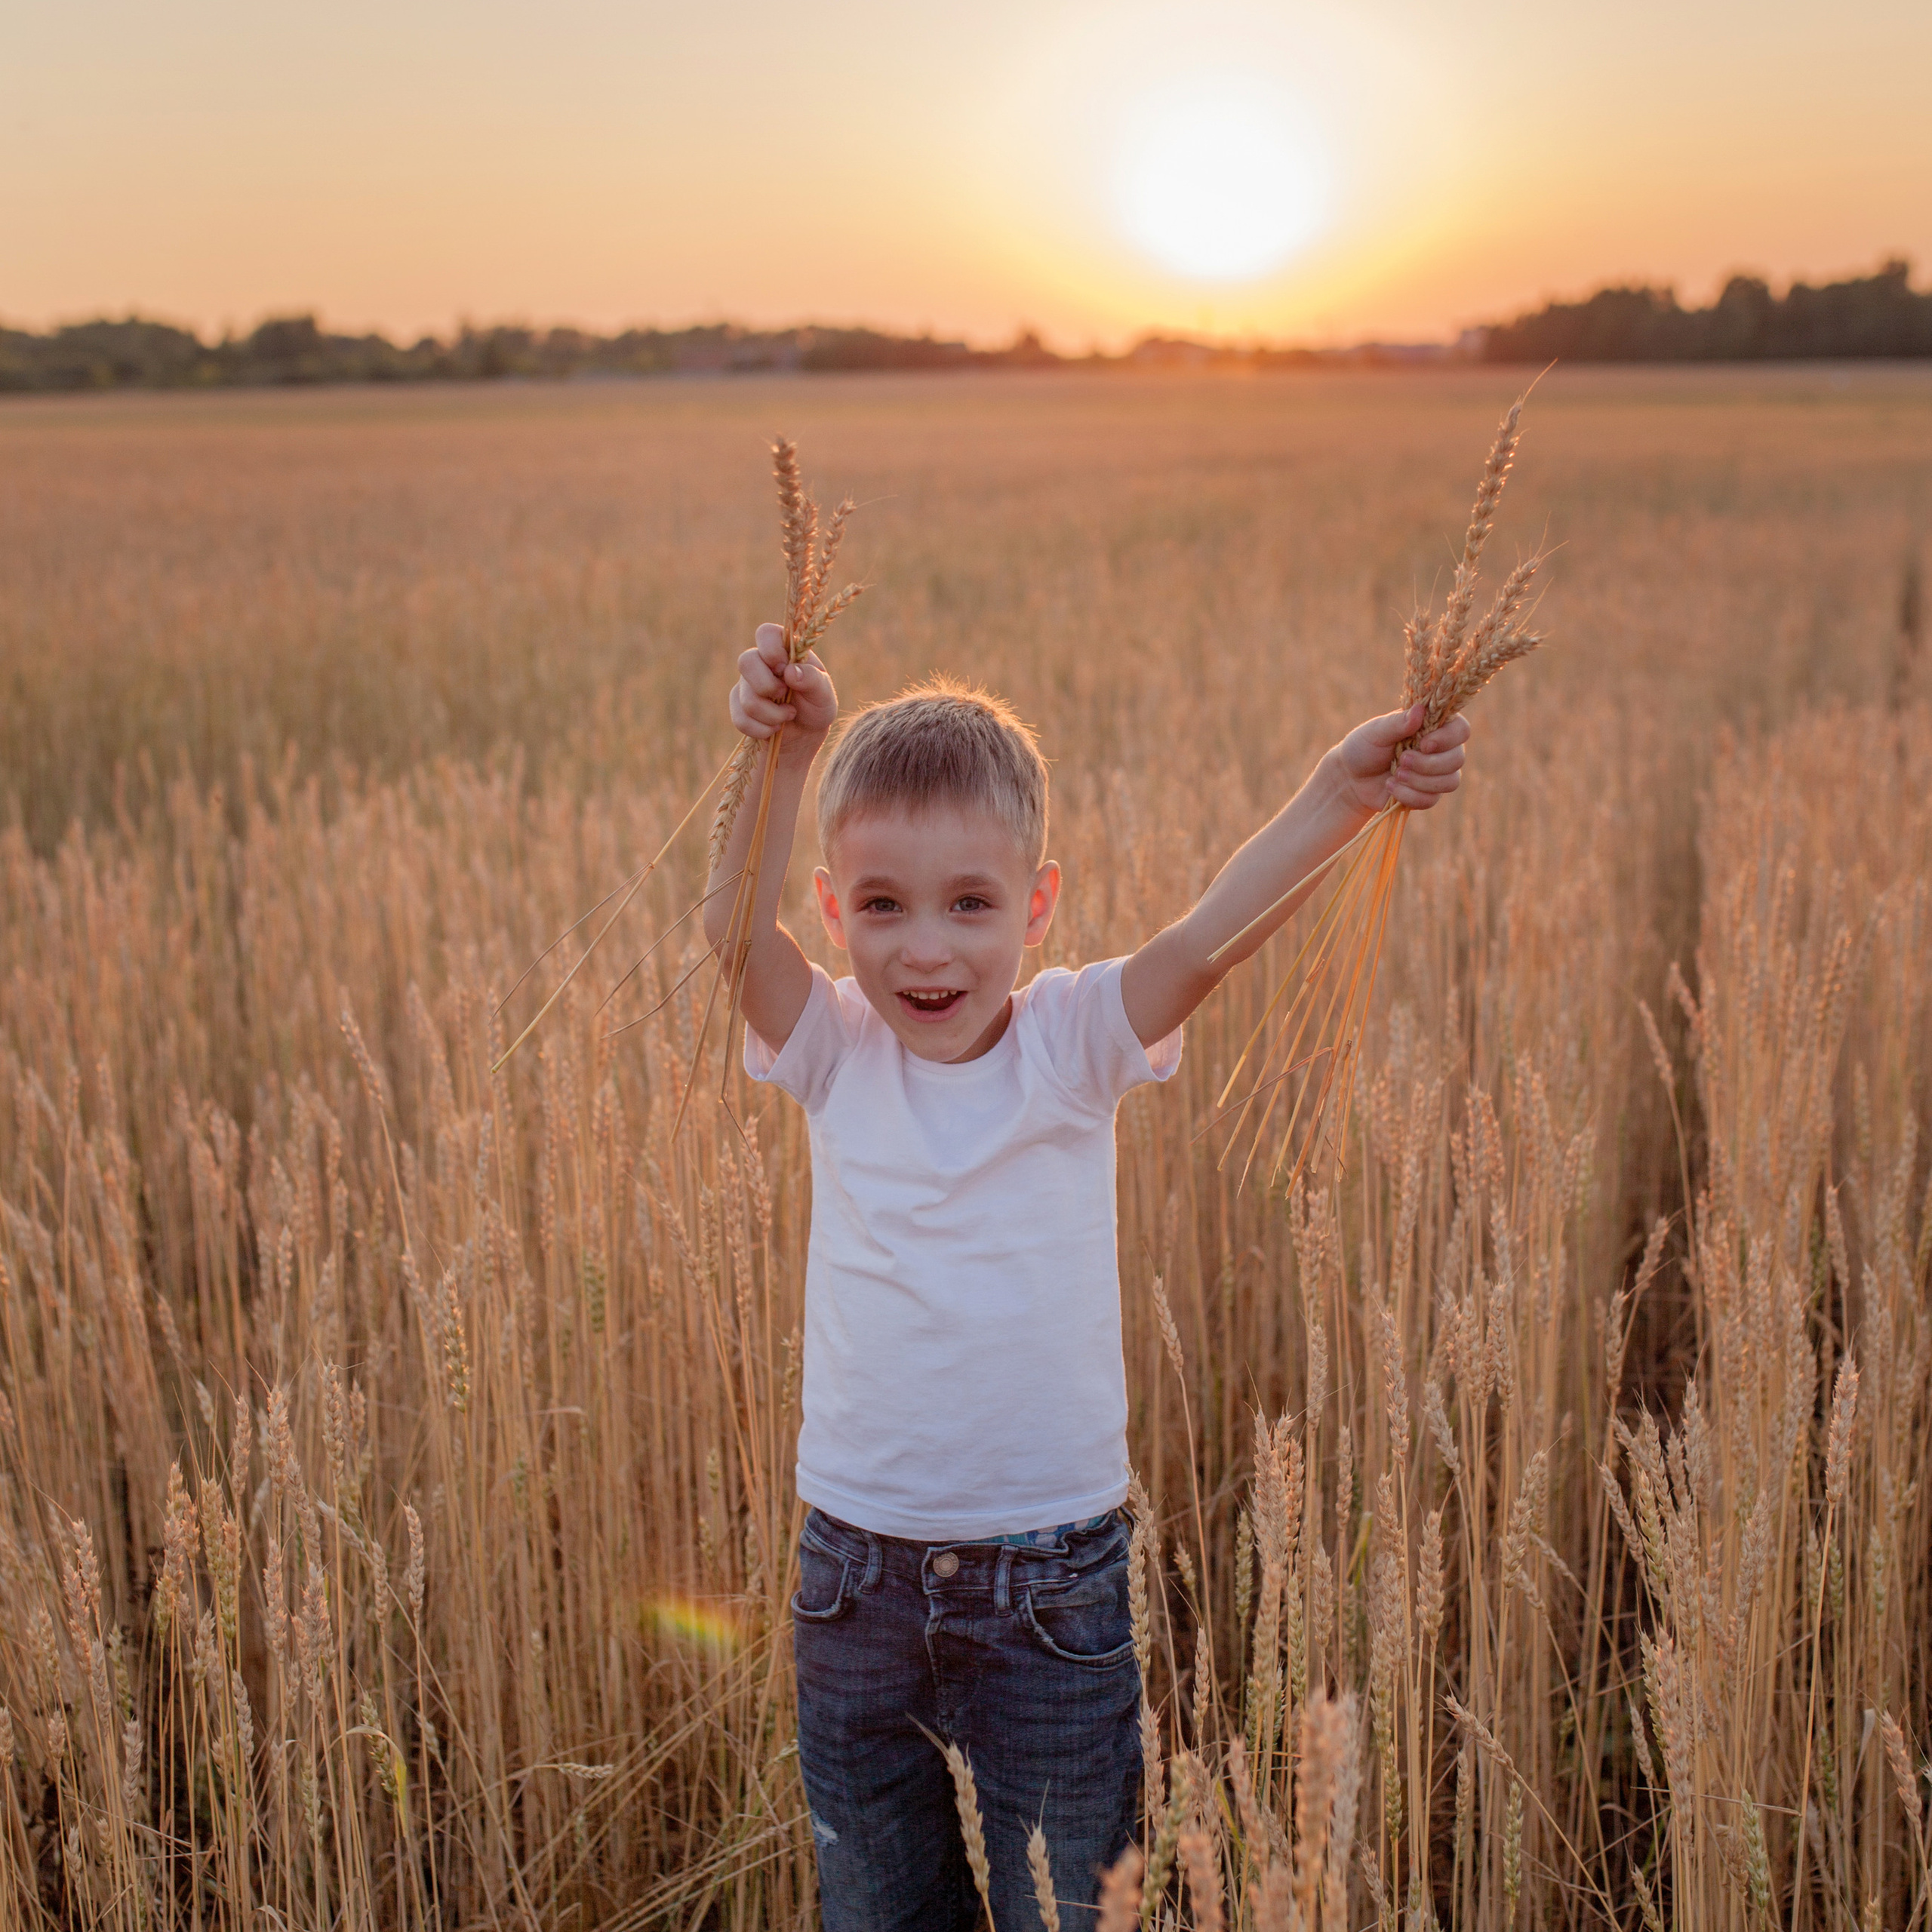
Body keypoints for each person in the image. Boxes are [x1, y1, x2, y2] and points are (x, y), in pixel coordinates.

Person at [704, 623, 1469, 1930]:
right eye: (881, 905)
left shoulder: (1071, 1042)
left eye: (971, 904)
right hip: (854, 1585)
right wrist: (784, 754)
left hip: (1049, 1591)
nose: (925, 951)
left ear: (1037, 904)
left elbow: (1210, 936)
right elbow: (729, 932)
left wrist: (1346, 792)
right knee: (876, 1911)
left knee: (1074, 1917)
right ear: (832, 911)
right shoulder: (834, 1050)